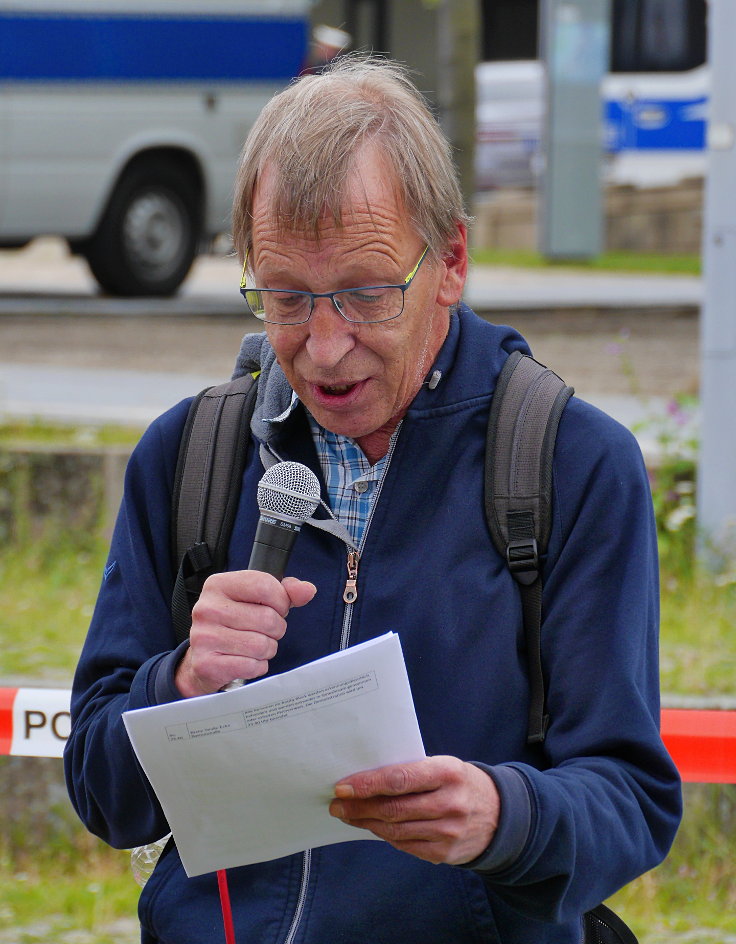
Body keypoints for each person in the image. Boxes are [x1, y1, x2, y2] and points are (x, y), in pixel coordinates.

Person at [64, 56, 682, 943]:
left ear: (452, 261)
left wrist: (504, 818)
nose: (321, 347)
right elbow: (100, 793)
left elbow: (632, 801)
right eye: (285, 296)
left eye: (364, 293)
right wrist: (181, 684)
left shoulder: (569, 465)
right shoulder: (186, 457)